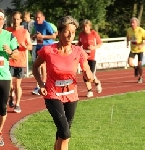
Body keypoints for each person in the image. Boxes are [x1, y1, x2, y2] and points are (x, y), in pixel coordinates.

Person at [32, 15, 95, 150]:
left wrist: (88, 74)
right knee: (66, 133)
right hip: (53, 95)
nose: (70, 35)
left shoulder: (78, 51)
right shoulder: (48, 50)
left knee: (62, 134)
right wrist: (41, 84)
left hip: (72, 95)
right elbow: (35, 66)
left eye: (73, 33)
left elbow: (86, 68)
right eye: (66, 31)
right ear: (59, 32)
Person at [0, 8, 19, 146]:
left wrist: (10, 52)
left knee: (2, 108)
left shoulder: (9, 36)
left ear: (3, 21)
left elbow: (17, 55)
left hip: (4, 77)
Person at [6, 11, 32, 113]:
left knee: (17, 85)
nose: (16, 21)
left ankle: (17, 104)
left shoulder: (25, 32)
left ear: (20, 20)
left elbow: (30, 46)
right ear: (11, 19)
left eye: (17, 19)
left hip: (20, 62)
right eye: (14, 19)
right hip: (9, 61)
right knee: (9, 83)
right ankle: (11, 95)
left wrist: (24, 46)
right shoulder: (7, 31)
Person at [31, 10, 56, 95]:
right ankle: (42, 83)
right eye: (36, 18)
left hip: (47, 47)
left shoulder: (47, 25)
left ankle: (43, 84)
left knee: (42, 65)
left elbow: (54, 36)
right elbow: (32, 35)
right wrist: (34, 36)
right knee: (38, 65)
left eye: (39, 17)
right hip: (39, 47)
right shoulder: (35, 25)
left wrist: (42, 36)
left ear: (43, 17)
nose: (37, 19)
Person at [78, 19, 102, 98]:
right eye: (84, 27)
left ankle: (97, 82)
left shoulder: (94, 33)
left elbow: (100, 43)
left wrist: (93, 47)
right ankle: (90, 90)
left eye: (87, 27)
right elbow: (79, 44)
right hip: (84, 57)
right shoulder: (81, 35)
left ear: (89, 26)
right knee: (85, 74)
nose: (85, 29)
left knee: (90, 75)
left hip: (92, 57)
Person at [127, 17, 145, 83]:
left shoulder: (141, 30)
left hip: (140, 50)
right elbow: (128, 36)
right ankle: (135, 68)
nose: (132, 24)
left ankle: (140, 77)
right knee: (129, 63)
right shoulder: (129, 30)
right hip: (133, 49)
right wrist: (127, 43)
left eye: (133, 23)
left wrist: (142, 45)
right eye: (131, 23)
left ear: (137, 23)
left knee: (139, 64)